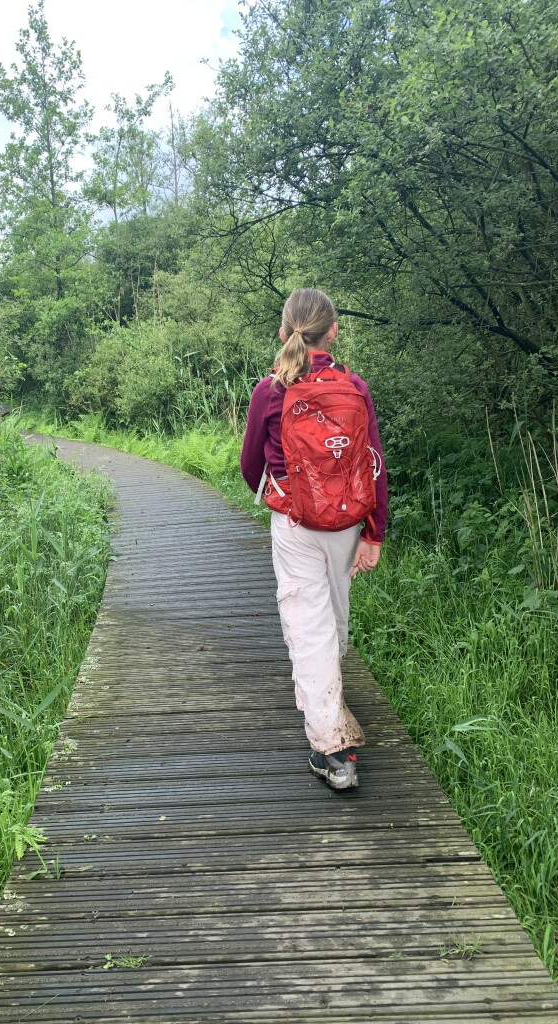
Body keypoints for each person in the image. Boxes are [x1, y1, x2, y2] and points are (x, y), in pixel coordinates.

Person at [240, 288, 388, 790]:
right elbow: (374, 464)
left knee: (308, 624)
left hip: (295, 523)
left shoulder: (269, 391)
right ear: (334, 332)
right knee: (334, 620)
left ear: (284, 333)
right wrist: (374, 533)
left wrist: (281, 494)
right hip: (347, 523)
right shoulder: (355, 387)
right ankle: (325, 697)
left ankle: (335, 753)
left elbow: (250, 466)